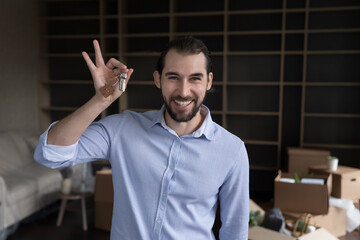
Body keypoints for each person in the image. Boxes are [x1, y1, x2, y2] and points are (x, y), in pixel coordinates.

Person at [34, 36, 249, 239]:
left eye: (195, 79)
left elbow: (235, 230)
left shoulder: (232, 149)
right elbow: (50, 153)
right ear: (157, 79)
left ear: (209, 82)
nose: (184, 91)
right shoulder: (122, 128)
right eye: (173, 77)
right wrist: (101, 99)